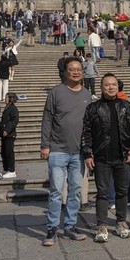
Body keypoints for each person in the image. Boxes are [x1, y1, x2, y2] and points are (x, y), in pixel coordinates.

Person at [81, 73, 130, 242]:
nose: (110, 87)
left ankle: (121, 222)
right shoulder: (93, 108)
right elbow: (86, 133)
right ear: (101, 87)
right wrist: (88, 153)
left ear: (118, 86)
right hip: (102, 158)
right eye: (107, 85)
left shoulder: (126, 105)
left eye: (113, 84)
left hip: (123, 156)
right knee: (103, 193)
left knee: (122, 191)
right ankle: (102, 225)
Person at [40, 57, 92, 246]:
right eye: (72, 69)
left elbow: (90, 125)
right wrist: (44, 145)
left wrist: (89, 150)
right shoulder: (56, 92)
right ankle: (52, 228)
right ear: (65, 72)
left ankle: (70, 226)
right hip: (57, 150)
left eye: (79, 69)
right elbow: (47, 120)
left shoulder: (87, 94)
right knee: (55, 191)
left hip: (79, 152)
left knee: (76, 191)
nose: (76, 72)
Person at [0, 92, 20, 179]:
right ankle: (6, 168)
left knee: (9, 152)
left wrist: (7, 130)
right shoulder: (7, 107)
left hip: (9, 134)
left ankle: (12, 170)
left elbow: (14, 121)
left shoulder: (13, 108)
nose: (5, 99)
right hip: (4, 133)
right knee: (4, 151)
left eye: (6, 97)